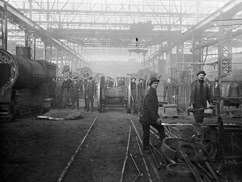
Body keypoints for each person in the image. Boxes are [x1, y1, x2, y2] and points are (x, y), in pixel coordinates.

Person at [139, 77, 166, 153]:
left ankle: (163, 144)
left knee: (161, 128)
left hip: (150, 116)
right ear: (151, 84)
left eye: (157, 83)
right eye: (154, 83)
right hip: (146, 117)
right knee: (146, 132)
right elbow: (150, 109)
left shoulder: (153, 92)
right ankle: (146, 148)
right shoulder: (149, 93)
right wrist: (156, 118)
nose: (156, 85)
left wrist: (157, 117)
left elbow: (154, 108)